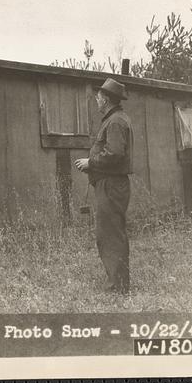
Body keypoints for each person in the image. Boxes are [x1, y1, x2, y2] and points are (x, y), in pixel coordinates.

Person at [74, 78, 134, 294]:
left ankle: (117, 287)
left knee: (110, 234)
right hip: (109, 184)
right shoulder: (115, 119)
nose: (97, 101)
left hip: (111, 185)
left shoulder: (115, 121)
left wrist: (91, 162)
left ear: (107, 99)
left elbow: (116, 154)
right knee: (111, 233)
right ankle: (119, 284)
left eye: (99, 97)